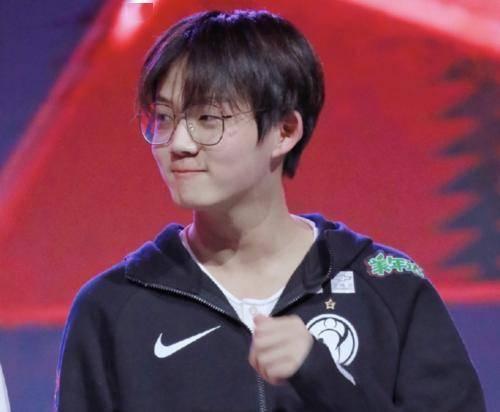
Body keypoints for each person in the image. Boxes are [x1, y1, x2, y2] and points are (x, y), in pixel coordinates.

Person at [54, 9, 486, 412]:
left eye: (208, 119)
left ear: (285, 130)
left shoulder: (389, 287)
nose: (178, 144)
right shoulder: (112, 307)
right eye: (164, 118)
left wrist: (322, 377)